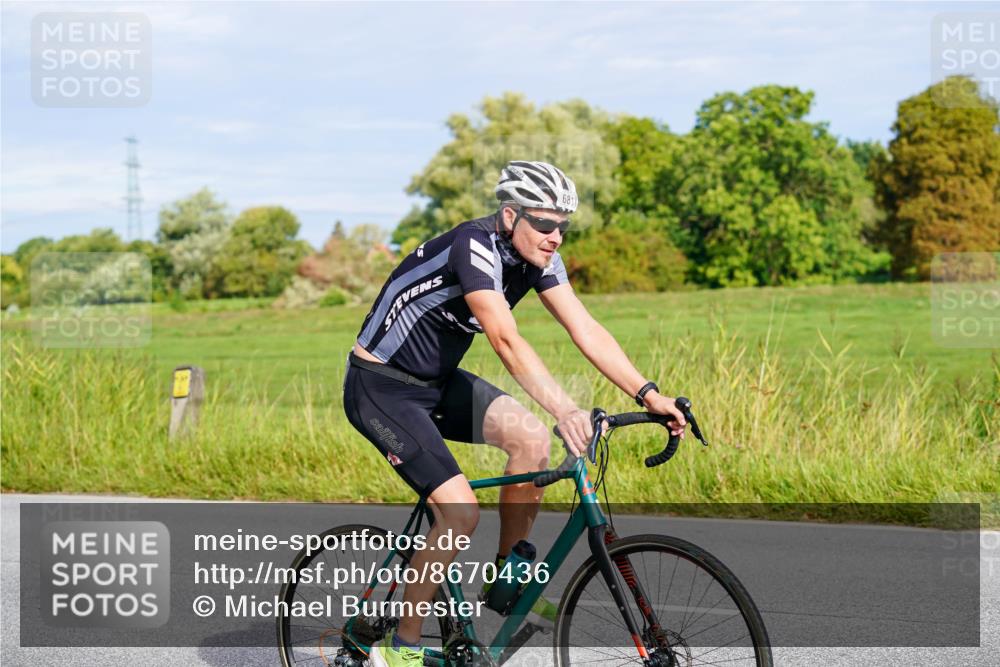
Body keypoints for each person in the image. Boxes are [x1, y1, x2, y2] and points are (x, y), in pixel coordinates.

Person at [342, 160, 686, 667]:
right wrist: (565, 408)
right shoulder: (472, 246)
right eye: (544, 223)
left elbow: (584, 327)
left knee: (531, 443)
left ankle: (506, 581)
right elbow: (504, 338)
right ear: (510, 216)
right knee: (459, 512)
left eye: (563, 227)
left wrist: (648, 393)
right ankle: (400, 648)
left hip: (437, 385)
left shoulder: (540, 258)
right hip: (381, 389)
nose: (555, 237)